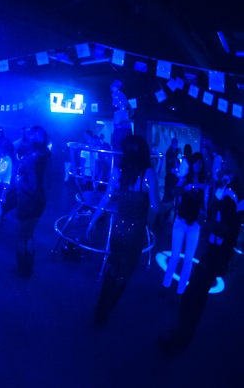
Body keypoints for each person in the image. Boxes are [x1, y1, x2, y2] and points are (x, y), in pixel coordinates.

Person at [158, 145, 244, 354]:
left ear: (234, 160)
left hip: (216, 250)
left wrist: (205, 222)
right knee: (196, 293)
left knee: (194, 295)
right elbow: (223, 217)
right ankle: (182, 335)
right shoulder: (229, 186)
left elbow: (225, 226)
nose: (222, 161)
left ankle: (180, 339)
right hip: (215, 248)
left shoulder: (233, 190)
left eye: (226, 157)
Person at [86, 135, 166, 326]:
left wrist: (92, 221)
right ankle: (107, 310)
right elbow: (156, 207)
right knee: (125, 273)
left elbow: (106, 199)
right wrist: (171, 204)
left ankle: (100, 309)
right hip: (135, 232)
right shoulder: (148, 174)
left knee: (112, 268)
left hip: (118, 228)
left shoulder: (118, 171)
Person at [163, 152, 207, 295]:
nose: (198, 165)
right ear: (192, 163)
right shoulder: (185, 179)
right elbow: (175, 191)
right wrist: (189, 187)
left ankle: (181, 291)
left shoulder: (205, 182)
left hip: (194, 225)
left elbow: (205, 204)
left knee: (188, 260)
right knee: (175, 256)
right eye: (196, 162)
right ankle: (166, 284)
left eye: (200, 162)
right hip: (181, 222)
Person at [15, 126, 51, 276]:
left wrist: (19, 181)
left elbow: (31, 186)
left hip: (28, 199)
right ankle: (29, 266)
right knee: (30, 234)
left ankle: (22, 267)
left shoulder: (31, 159)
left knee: (22, 234)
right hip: (41, 199)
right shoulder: (46, 155)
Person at [110, 79, 133, 156]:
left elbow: (123, 107)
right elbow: (131, 111)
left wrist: (118, 121)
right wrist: (126, 118)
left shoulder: (116, 95)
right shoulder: (124, 96)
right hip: (127, 126)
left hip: (120, 127)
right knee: (126, 151)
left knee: (117, 151)